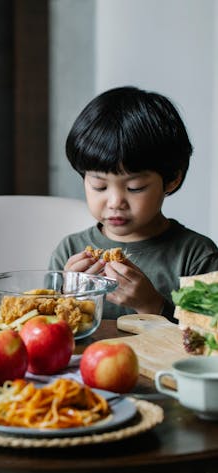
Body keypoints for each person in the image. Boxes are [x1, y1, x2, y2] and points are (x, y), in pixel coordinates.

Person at [49, 86, 218, 321]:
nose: (115, 202)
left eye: (135, 188)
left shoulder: (196, 256)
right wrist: (67, 298)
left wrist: (151, 304)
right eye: (99, 186)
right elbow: (45, 329)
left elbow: (206, 345)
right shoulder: (69, 252)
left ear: (172, 180)